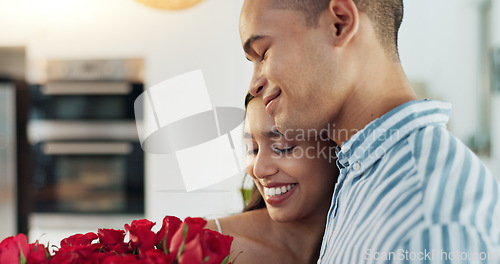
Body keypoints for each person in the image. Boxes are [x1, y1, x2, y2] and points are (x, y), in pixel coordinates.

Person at [239, 0, 500, 263]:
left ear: (339, 24)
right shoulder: (359, 175)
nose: (254, 85)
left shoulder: (427, 216)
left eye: (264, 53)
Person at [205, 93, 339, 263]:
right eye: (253, 149)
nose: (258, 170)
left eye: (282, 147)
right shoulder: (202, 244)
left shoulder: (365, 245)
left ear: (335, 144)